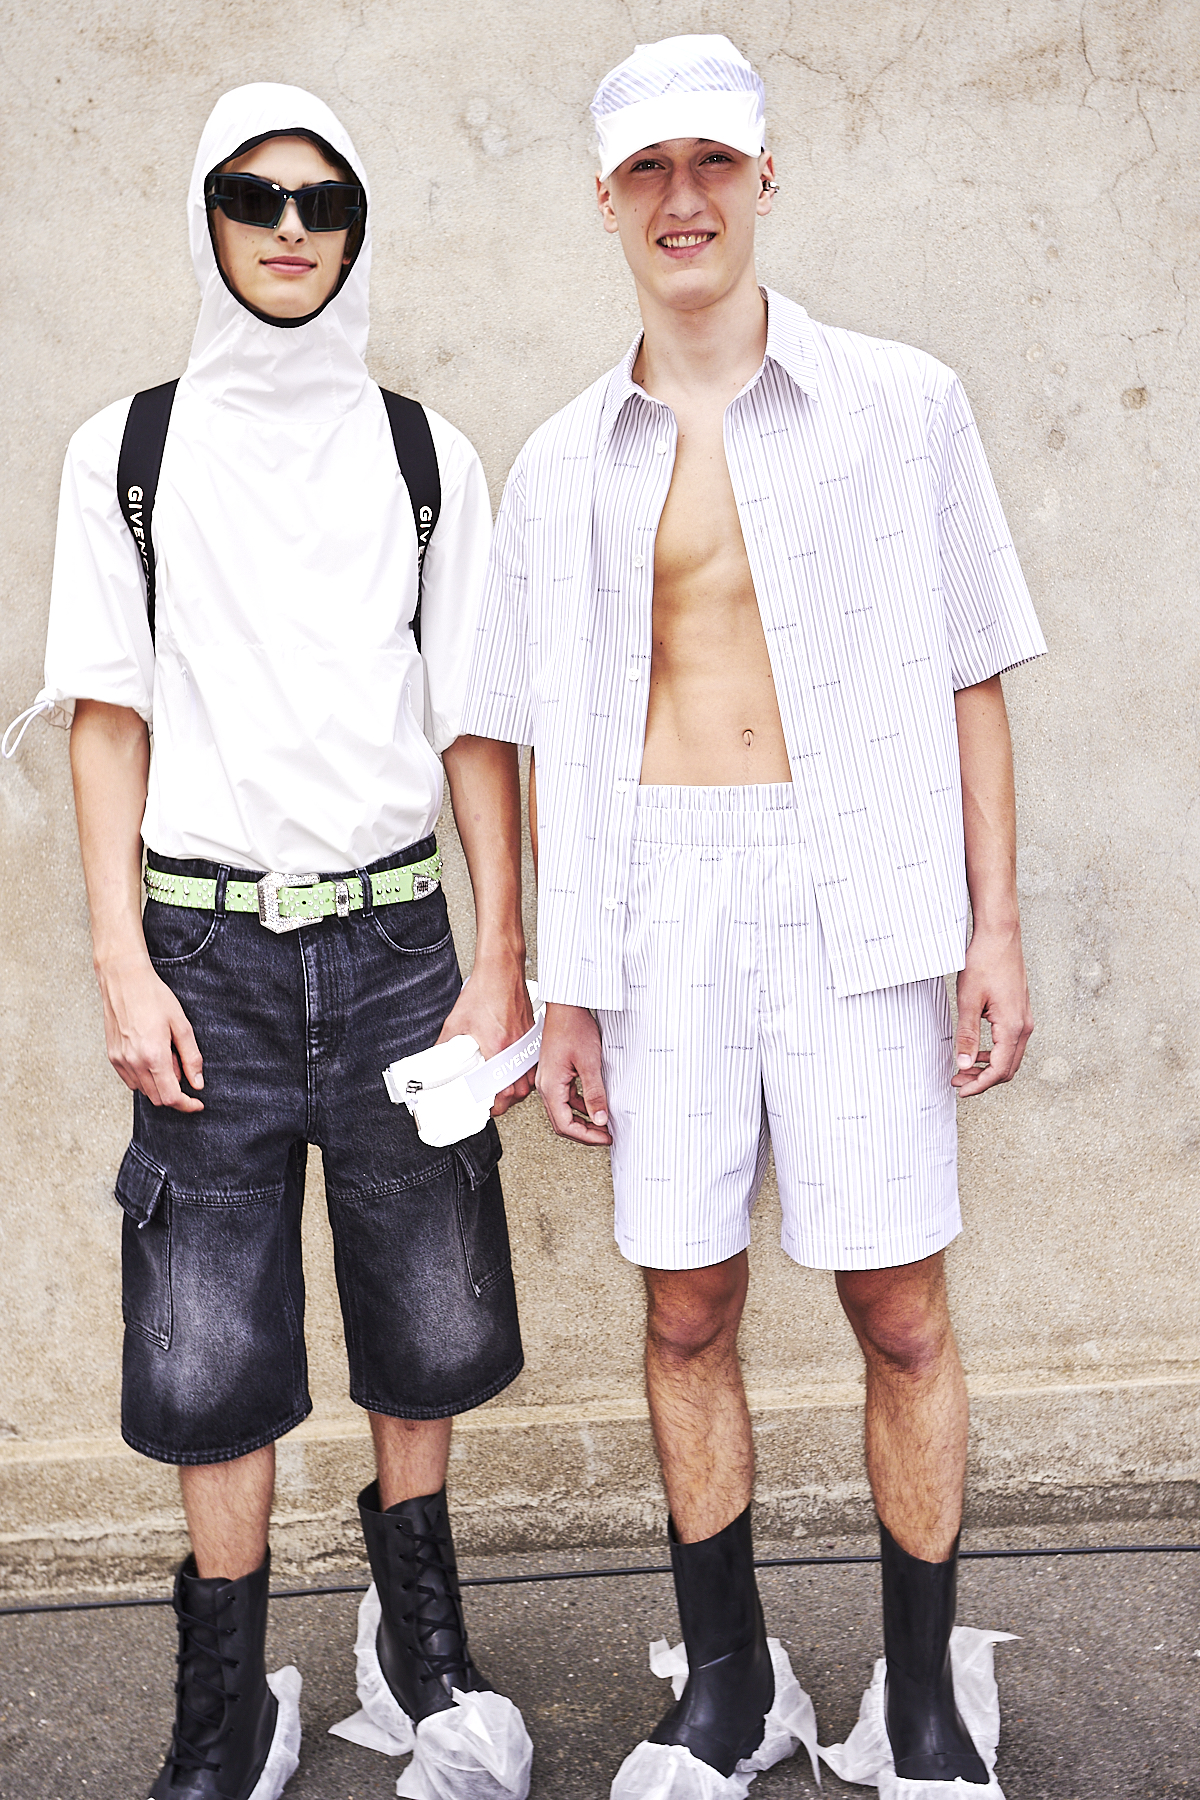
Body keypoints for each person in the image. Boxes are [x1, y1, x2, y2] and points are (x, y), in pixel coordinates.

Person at [461, 33, 1045, 1794]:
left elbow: (969, 678)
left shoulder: (902, 402)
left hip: (859, 890)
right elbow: (512, 726)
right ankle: (732, 1683)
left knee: (901, 1312)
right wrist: (549, 982)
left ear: (768, 177)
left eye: (714, 164)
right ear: (606, 199)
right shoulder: (562, 462)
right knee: (688, 1311)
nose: (685, 199)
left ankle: (921, 1698)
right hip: (653, 907)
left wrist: (994, 927)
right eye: (649, 170)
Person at [5, 84, 534, 1800]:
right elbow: (104, 721)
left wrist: (500, 947)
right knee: (205, 1342)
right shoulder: (130, 451)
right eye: (254, 197)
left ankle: (417, 1642)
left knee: (429, 1313)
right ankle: (226, 1705)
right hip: (207, 950)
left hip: (395, 940)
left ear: (357, 229)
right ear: (207, 218)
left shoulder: (420, 452)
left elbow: (475, 724)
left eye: (324, 203)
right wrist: (119, 963)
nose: (290, 229)